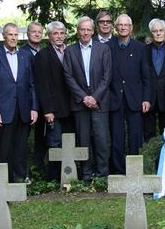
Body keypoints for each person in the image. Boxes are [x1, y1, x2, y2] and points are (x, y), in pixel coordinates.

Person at [0, 23, 38, 182]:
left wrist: (34, 108)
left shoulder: (26, 56)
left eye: (15, 35)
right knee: (4, 148)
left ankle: (21, 179)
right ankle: (4, 182)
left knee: (21, 148)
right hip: (3, 110)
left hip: (23, 109)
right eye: (10, 35)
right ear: (3, 36)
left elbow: (32, 84)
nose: (13, 38)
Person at [63, 16, 112, 181]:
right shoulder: (69, 51)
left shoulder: (103, 49)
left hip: (100, 102)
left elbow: (107, 76)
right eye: (82, 29)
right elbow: (68, 77)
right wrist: (84, 97)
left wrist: (95, 97)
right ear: (78, 31)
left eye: (88, 29)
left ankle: (103, 175)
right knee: (83, 141)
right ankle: (87, 175)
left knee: (101, 140)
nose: (85, 32)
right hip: (80, 103)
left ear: (93, 31)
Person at [108, 14, 151, 173]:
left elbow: (146, 75)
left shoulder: (140, 48)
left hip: (135, 99)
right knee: (117, 138)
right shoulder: (108, 47)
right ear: (116, 27)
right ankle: (118, 171)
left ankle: (135, 170)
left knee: (135, 137)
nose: (123, 27)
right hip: (115, 99)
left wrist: (146, 98)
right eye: (120, 25)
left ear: (131, 28)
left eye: (126, 25)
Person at [33, 21, 74, 181]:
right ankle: (54, 178)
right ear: (49, 36)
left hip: (71, 107)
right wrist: (47, 110)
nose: (59, 36)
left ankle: (68, 175)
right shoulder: (42, 55)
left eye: (61, 33)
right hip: (54, 109)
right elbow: (42, 85)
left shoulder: (70, 52)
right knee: (55, 143)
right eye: (55, 33)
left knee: (69, 142)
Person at [143, 18, 165, 141]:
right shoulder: (143, 50)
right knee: (148, 133)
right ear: (151, 33)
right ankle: (150, 159)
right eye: (155, 31)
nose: (158, 33)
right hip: (148, 98)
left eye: (161, 30)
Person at [22, 21, 45, 174]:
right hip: (27, 102)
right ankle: (23, 170)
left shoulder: (45, 52)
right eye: (33, 32)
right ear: (27, 34)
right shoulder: (21, 53)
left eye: (39, 32)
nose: (37, 34)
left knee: (42, 137)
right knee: (23, 137)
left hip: (44, 100)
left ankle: (39, 166)